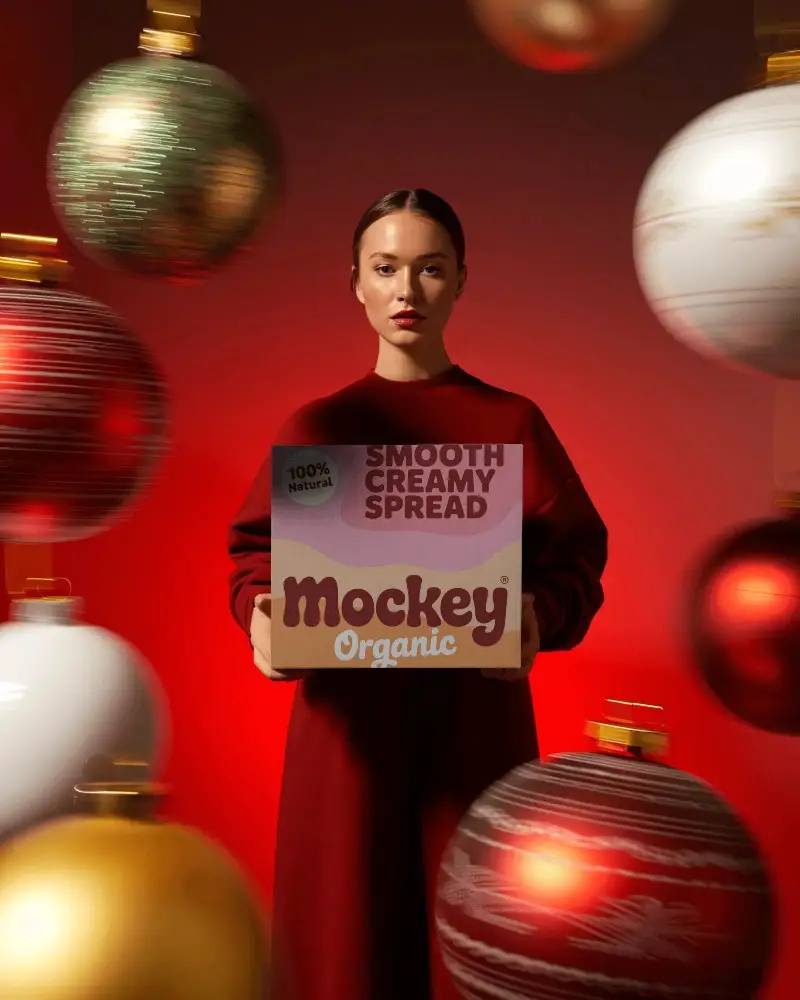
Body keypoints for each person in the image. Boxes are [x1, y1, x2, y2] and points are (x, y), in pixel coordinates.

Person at [228, 188, 607, 1000]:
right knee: (343, 953)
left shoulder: (511, 422)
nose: (408, 292)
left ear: (461, 281)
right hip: (347, 750)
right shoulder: (317, 428)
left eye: (430, 270)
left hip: (473, 735)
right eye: (387, 269)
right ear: (356, 283)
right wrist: (261, 616)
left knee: (474, 952)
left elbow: (577, 561)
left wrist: (537, 616)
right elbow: (253, 561)